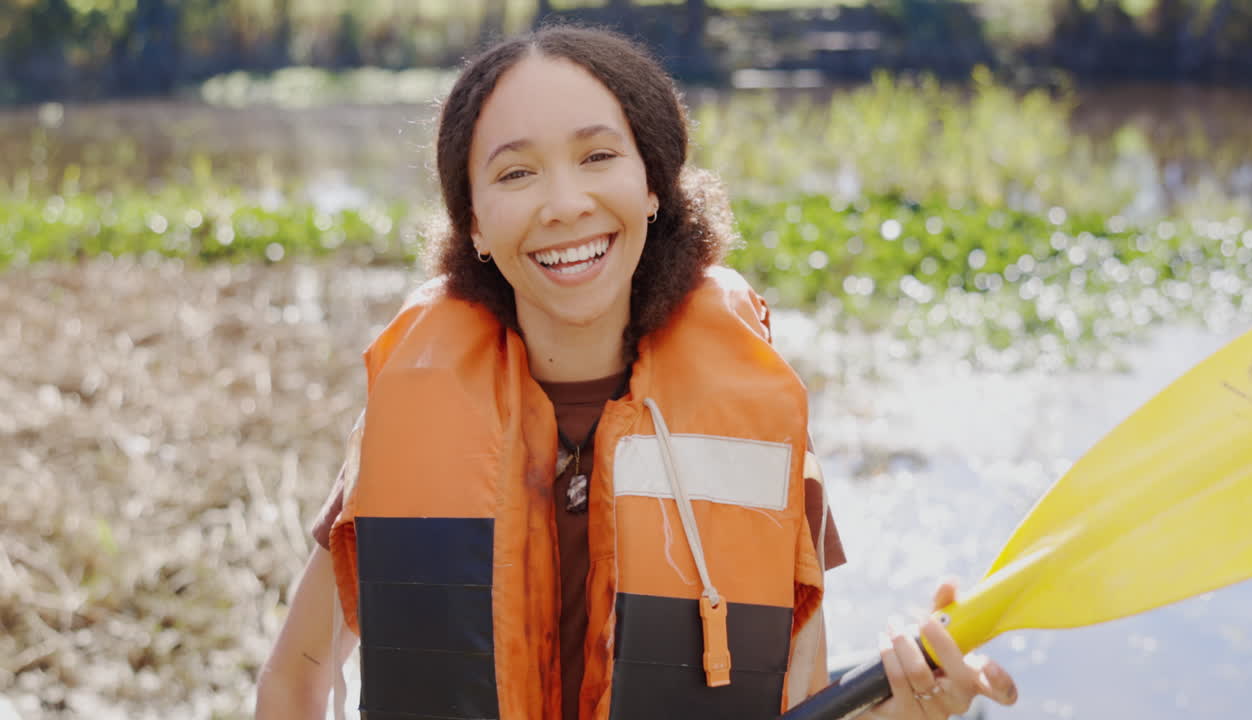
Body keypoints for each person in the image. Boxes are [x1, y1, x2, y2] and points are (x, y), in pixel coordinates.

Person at [254, 24, 1018, 720]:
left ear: (653, 185)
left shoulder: (756, 427)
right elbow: (295, 682)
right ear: (475, 223)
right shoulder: (407, 424)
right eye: (516, 174)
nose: (564, 204)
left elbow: (801, 698)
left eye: (598, 157)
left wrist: (912, 708)